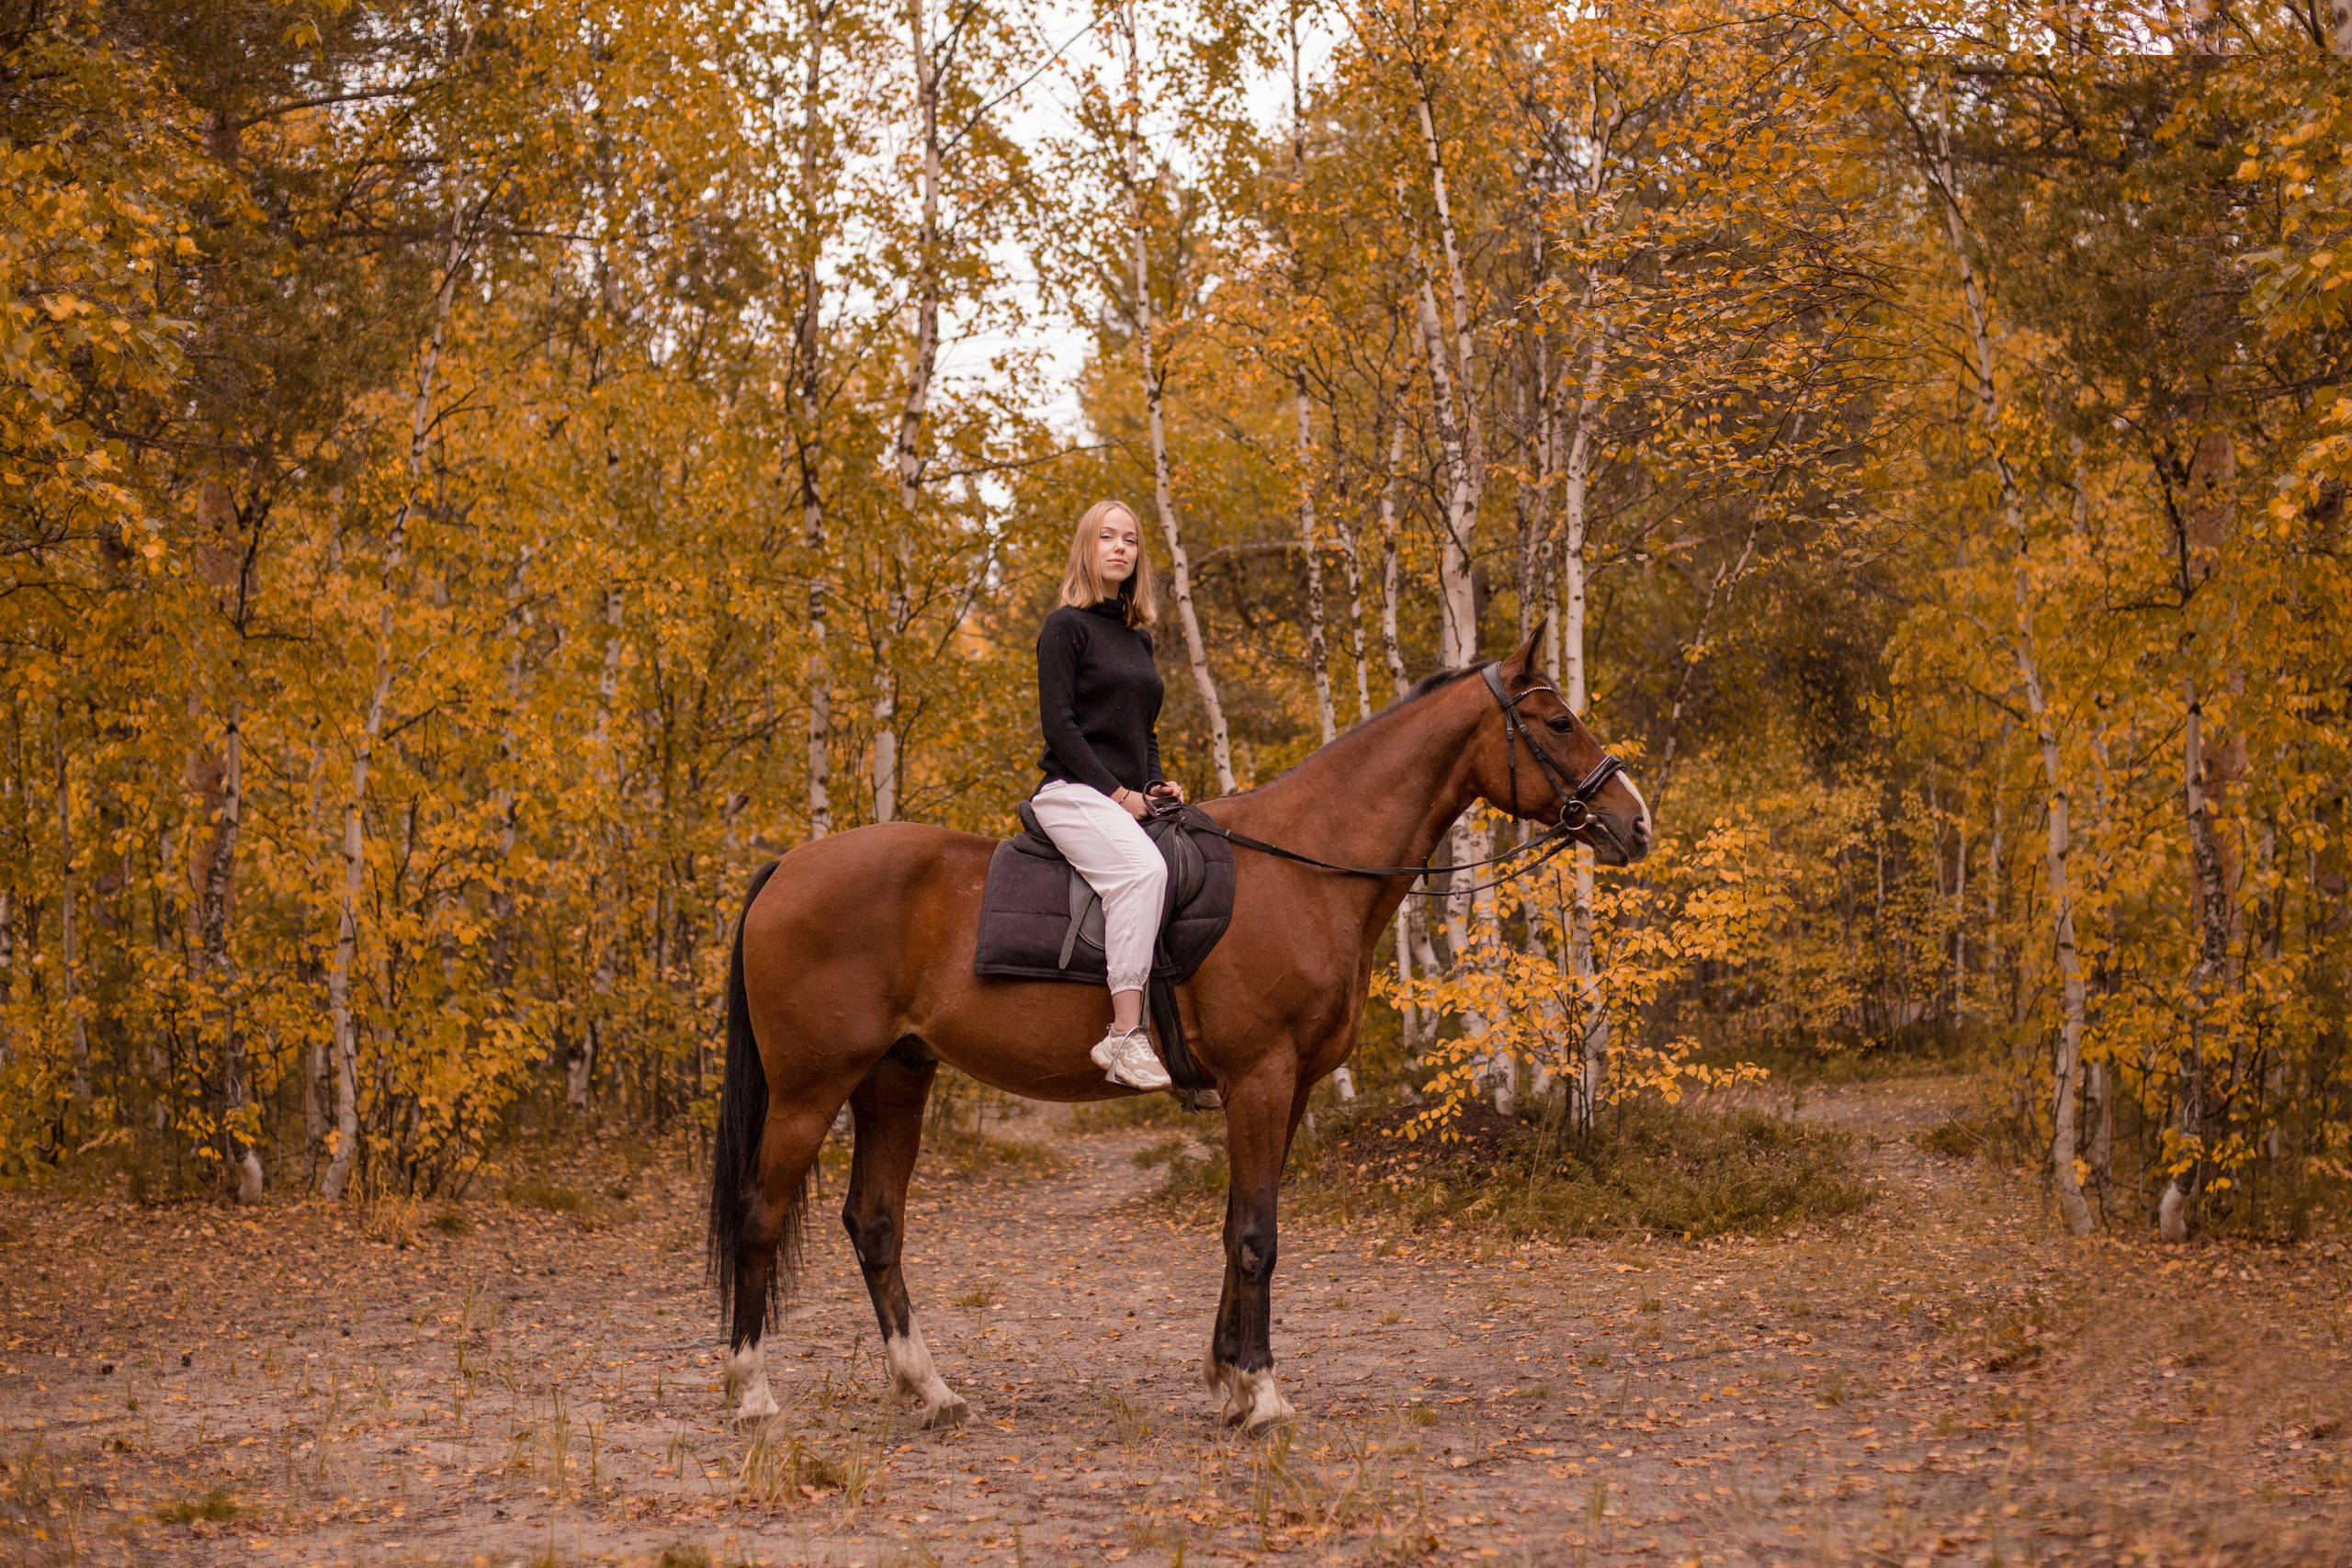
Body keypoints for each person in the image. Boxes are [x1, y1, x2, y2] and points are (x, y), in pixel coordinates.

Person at [1032, 499, 1186, 1092]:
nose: (1120, 547)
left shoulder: (1137, 640)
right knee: (1142, 872)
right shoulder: (1064, 627)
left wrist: (1153, 783)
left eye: (1130, 540)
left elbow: (1141, 729)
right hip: (1072, 791)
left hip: (1120, 794)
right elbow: (1060, 727)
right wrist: (1118, 792)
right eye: (1107, 538)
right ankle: (1123, 1035)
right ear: (1087, 548)